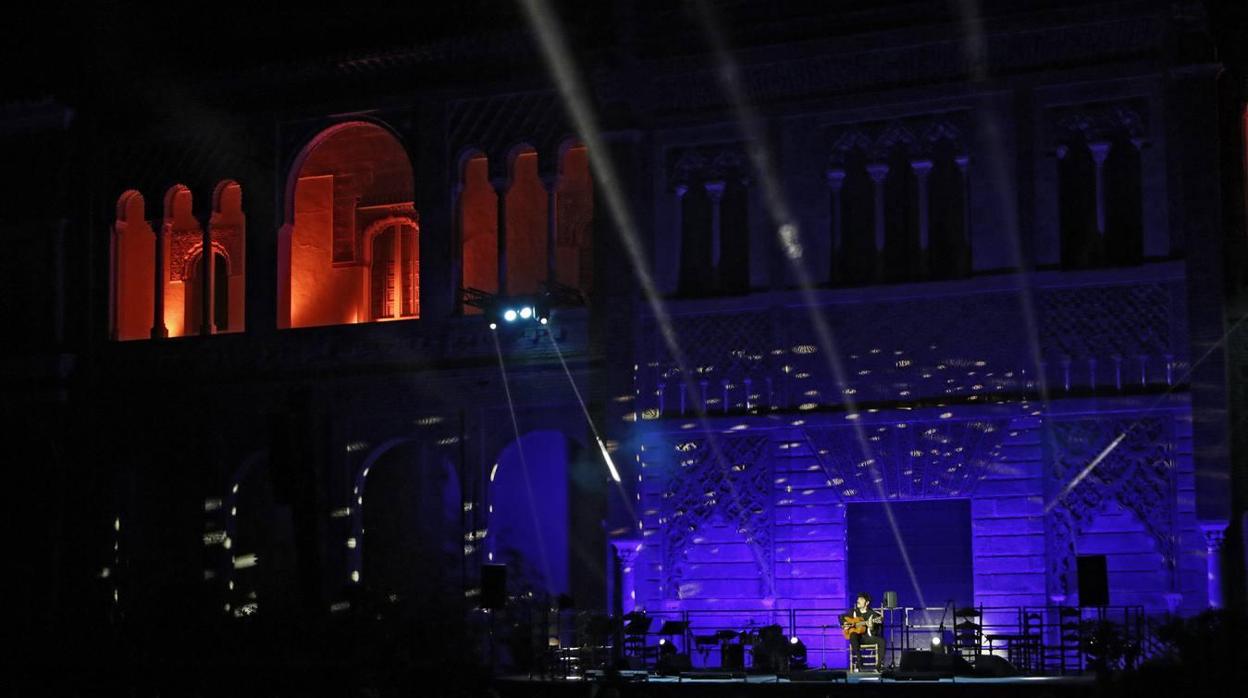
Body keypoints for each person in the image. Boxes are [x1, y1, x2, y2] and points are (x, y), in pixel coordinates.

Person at [840, 592, 884, 672]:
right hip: (856, 639)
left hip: (867, 637)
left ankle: (878, 666)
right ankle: (859, 660)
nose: (858, 601)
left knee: (882, 641)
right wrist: (845, 624)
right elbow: (841, 617)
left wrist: (871, 626)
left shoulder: (872, 614)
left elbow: (875, 630)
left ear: (867, 603)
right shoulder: (854, 611)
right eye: (858, 599)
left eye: (861, 599)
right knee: (852, 634)